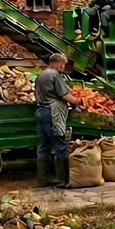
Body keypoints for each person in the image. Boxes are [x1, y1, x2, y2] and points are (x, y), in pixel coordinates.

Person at [35, 53, 80, 187]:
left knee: (43, 146)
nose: (63, 68)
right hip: (52, 113)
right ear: (58, 63)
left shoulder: (41, 75)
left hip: (41, 111)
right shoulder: (55, 75)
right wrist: (78, 101)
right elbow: (64, 95)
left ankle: (42, 180)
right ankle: (64, 180)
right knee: (60, 144)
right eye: (63, 65)